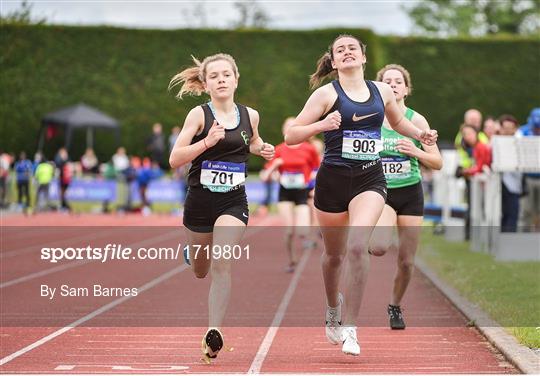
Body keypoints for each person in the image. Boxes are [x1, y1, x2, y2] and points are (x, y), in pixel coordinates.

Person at [285, 35, 437, 356]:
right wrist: (322, 124)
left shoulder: (381, 91)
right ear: (334, 61)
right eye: (340, 50)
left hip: (369, 178)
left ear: (363, 57)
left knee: (358, 247)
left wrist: (420, 134)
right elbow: (291, 135)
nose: (347, 52)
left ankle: (351, 328)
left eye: (353, 47)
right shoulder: (326, 94)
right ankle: (332, 309)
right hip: (332, 182)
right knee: (334, 256)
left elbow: (397, 121)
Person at [168, 53, 274, 362]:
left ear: (236, 79)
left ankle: (213, 332)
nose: (222, 79)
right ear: (206, 83)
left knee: (222, 262)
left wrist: (261, 149)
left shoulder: (250, 114)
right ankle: (192, 253)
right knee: (201, 271)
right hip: (200, 201)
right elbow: (175, 159)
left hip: (233, 201)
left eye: (226, 74)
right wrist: (206, 142)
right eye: (214, 76)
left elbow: (251, 141)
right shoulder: (198, 116)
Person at [368, 64, 442, 330]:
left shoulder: (417, 120)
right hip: (382, 192)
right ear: (380, 88)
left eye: (398, 81)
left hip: (411, 192)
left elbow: (437, 162)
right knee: (378, 247)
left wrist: (416, 151)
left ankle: (395, 305)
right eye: (388, 81)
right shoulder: (371, 118)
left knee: (407, 261)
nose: (394, 85)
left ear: (406, 89)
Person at [262, 117, 320, 273]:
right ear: (283, 131)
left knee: (302, 231)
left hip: (302, 191)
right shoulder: (279, 149)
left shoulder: (309, 149)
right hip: (285, 192)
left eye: (292, 126)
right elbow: (266, 175)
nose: (289, 129)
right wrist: (276, 167)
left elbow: (317, 169)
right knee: (289, 231)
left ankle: (307, 239)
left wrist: (311, 182)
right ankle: (292, 259)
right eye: (286, 127)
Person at [499, 114, 522, 232]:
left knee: (512, 213)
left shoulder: (520, 142)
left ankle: (509, 239)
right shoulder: (495, 142)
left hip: (513, 185)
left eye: (510, 128)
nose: (508, 131)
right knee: (502, 215)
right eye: (505, 128)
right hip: (498, 184)